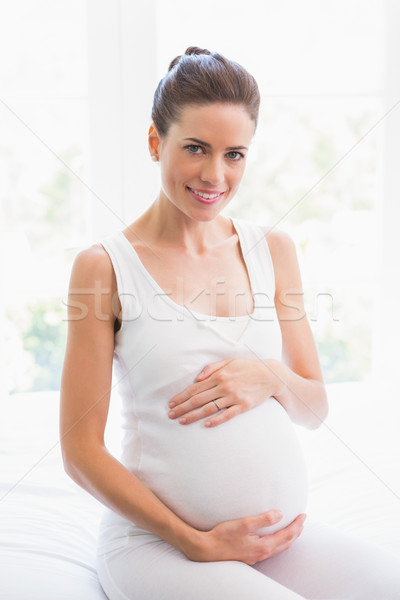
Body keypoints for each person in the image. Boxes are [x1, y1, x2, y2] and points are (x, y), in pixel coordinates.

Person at [60, 47, 400, 599]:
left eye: (234, 154)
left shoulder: (274, 249)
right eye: (195, 148)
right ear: (155, 143)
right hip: (162, 546)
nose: (215, 175)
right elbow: (80, 453)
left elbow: (314, 408)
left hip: (275, 540)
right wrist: (195, 541)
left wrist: (270, 375)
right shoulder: (104, 268)